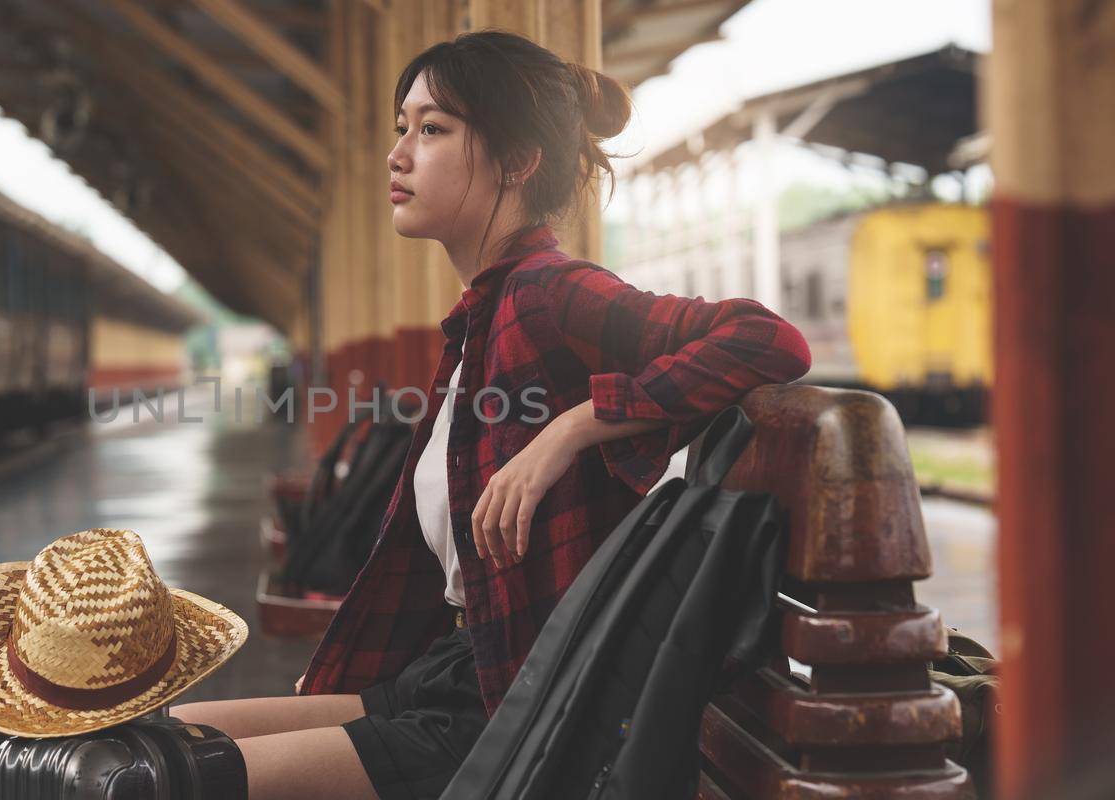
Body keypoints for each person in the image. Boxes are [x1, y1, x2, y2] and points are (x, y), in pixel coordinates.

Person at [167, 30, 813, 800]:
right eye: (401, 127)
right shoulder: (481, 316)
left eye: (433, 129)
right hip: (461, 674)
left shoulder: (546, 289)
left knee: (156, 775)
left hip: (518, 716)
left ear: (516, 162)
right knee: (157, 736)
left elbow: (768, 337)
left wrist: (575, 426)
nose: (398, 154)